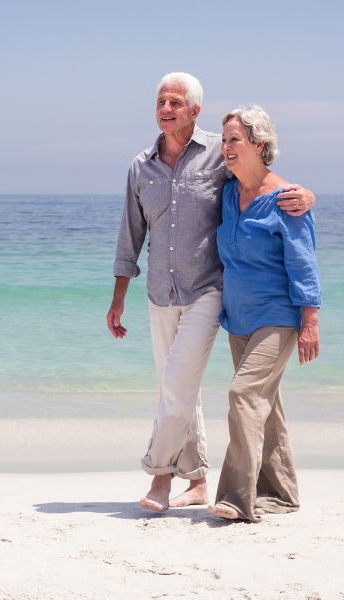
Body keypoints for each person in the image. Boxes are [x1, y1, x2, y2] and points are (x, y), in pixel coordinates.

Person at [108, 73, 314, 513]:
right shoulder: (140, 166)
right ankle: (200, 481)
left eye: (175, 102)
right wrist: (119, 295)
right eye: (160, 101)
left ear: (193, 109)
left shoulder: (219, 155)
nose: (166, 109)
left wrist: (307, 195)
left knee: (182, 383)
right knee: (177, 389)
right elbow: (131, 233)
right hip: (161, 291)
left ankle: (162, 476)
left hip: (209, 290)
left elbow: (263, 178)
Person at [206, 105, 320, 522]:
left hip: (278, 316)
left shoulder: (286, 199)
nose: (226, 147)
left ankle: (237, 497)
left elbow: (304, 263)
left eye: (235, 139)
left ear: (260, 144)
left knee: (244, 395)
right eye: (224, 140)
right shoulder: (229, 191)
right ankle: (282, 493)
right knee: (264, 406)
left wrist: (310, 321)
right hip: (238, 316)